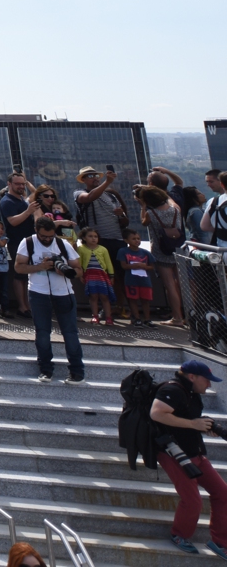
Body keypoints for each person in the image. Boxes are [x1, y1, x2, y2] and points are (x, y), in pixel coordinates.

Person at [151, 358, 227, 555]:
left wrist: (203, 425)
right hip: (175, 453)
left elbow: (185, 418)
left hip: (195, 452)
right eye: (207, 380)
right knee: (192, 500)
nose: (210, 384)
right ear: (192, 377)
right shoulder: (172, 390)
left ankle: (219, 541)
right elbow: (157, 413)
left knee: (223, 493)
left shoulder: (193, 393)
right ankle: (179, 534)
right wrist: (194, 425)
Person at [14, 214, 83, 384]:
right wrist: (40, 267)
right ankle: (46, 370)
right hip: (38, 292)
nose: (47, 240)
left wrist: (64, 270)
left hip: (64, 292)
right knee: (42, 333)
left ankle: (77, 371)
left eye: (50, 236)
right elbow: (18, 268)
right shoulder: (28, 242)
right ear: (36, 231)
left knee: (70, 333)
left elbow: (79, 270)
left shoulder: (63, 244)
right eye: (43, 236)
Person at [141, 184, 188, 327]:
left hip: (161, 251)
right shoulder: (175, 210)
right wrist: (162, 193)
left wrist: (143, 205)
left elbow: (143, 222)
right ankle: (189, 315)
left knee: (170, 285)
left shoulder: (151, 213)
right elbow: (172, 202)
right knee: (182, 284)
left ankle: (177, 317)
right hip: (179, 249)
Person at [0, 173, 37, 316]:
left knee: (28, 274)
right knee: (19, 274)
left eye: (23, 184)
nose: (21, 186)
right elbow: (12, 222)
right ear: (9, 184)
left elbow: (35, 194)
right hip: (17, 242)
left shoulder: (22, 199)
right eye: (18, 184)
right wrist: (28, 212)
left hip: (29, 240)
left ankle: (29, 305)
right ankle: (22, 306)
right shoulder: (7, 201)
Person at [78, 226, 116, 327]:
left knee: (104, 296)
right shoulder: (81, 249)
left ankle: (108, 317)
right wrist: (81, 275)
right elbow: (79, 263)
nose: (93, 238)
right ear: (84, 238)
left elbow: (108, 263)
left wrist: (111, 275)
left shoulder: (103, 249)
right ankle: (95, 316)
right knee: (93, 296)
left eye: (95, 236)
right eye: (90, 236)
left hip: (102, 275)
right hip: (89, 275)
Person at [121, 227, 156, 326]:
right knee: (133, 299)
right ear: (126, 241)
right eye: (133, 239)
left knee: (145, 300)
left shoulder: (145, 253)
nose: (137, 241)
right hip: (131, 280)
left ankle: (147, 319)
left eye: (138, 238)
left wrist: (144, 267)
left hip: (144, 280)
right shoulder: (123, 251)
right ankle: (136, 318)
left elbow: (152, 266)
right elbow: (123, 266)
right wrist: (134, 266)